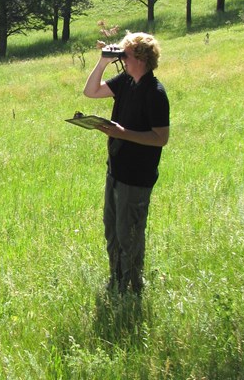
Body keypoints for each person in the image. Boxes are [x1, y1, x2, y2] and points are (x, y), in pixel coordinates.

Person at [83, 31, 170, 295]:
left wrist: (122, 133)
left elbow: (161, 138)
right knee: (112, 231)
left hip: (137, 176)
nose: (122, 59)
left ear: (141, 58)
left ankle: (132, 288)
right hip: (116, 171)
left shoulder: (155, 93)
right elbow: (90, 91)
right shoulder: (126, 82)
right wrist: (102, 62)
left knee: (129, 234)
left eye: (125, 54)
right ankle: (116, 281)